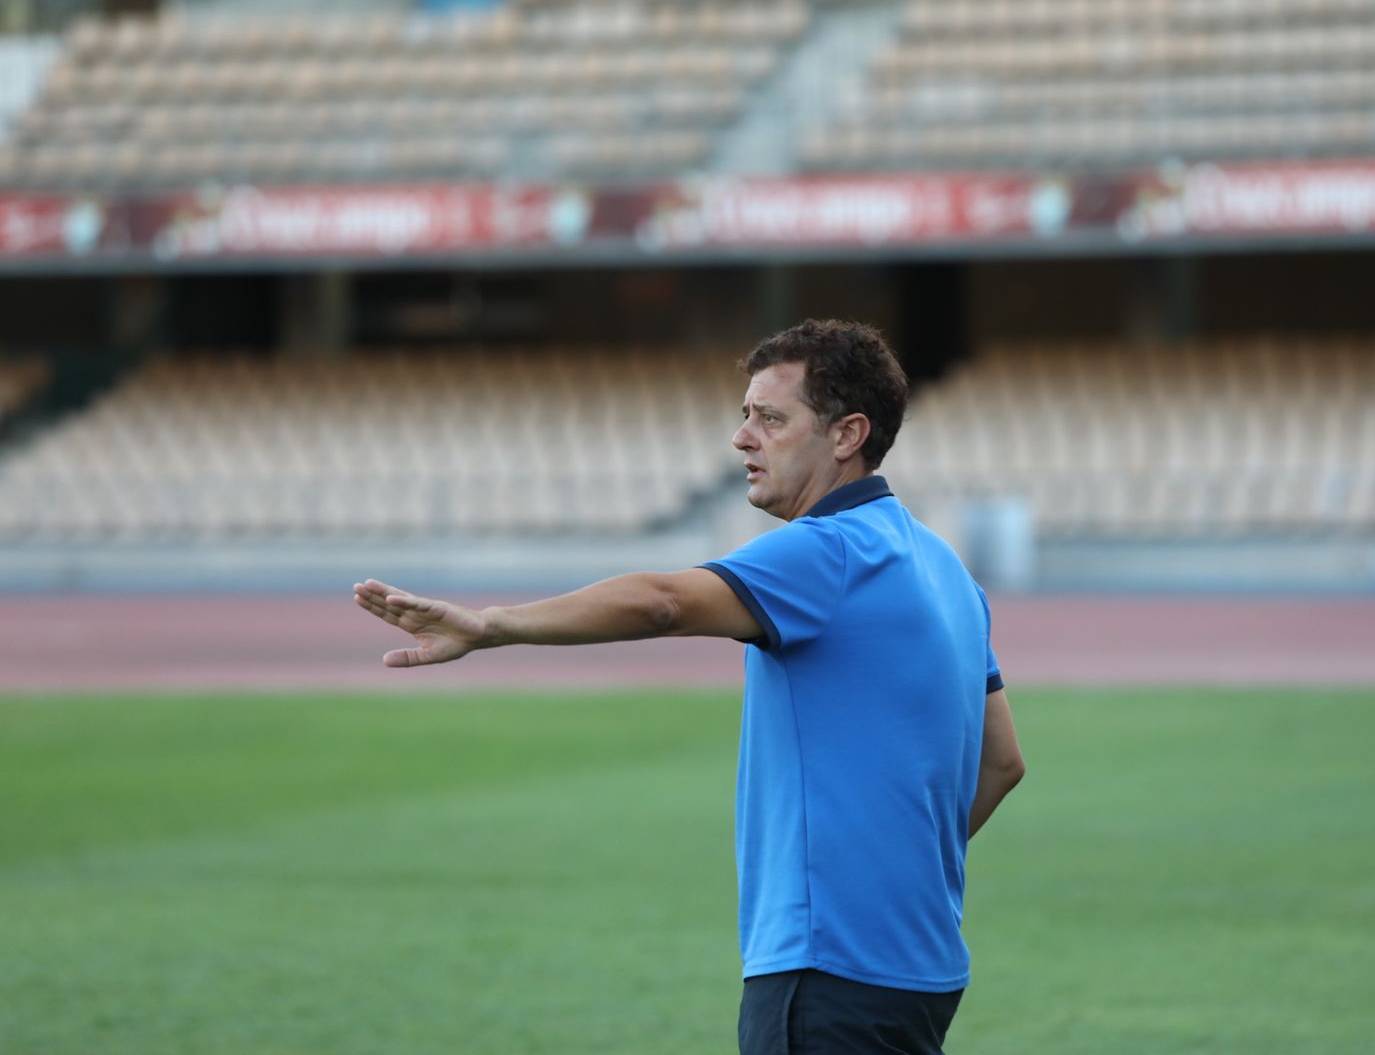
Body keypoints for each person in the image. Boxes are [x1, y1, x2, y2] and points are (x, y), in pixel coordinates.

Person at [353, 318, 1025, 1055]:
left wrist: (491, 626)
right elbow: (1002, 764)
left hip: (826, 967)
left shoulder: (826, 550)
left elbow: (663, 601)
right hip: (922, 968)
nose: (742, 437)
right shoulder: (945, 569)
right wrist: (895, 868)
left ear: (846, 434)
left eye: (769, 417)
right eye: (744, 415)